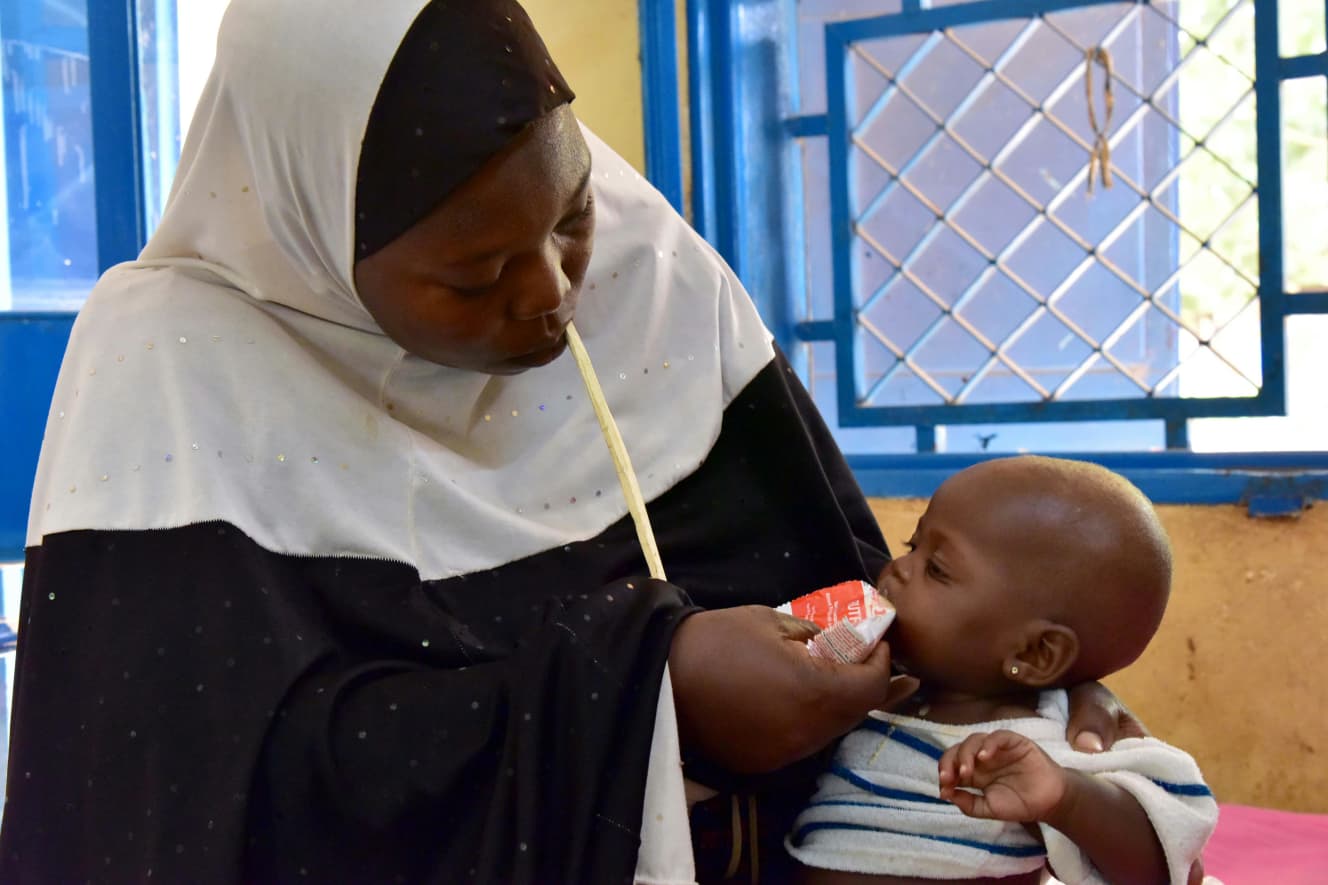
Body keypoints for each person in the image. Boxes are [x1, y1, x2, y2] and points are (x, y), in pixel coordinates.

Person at [0, 2, 1148, 882]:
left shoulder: (643, 265)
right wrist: (656, 697)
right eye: (472, 275)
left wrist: (1042, 705)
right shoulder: (175, 366)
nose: (553, 295)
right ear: (307, 232)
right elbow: (191, 802)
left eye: (571, 217)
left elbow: (859, 588)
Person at [787, 456, 1218, 885]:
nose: (898, 567)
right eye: (912, 546)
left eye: (936, 569)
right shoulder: (877, 692)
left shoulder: (1039, 741)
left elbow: (1170, 860)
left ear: (1034, 653)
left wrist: (1065, 798)